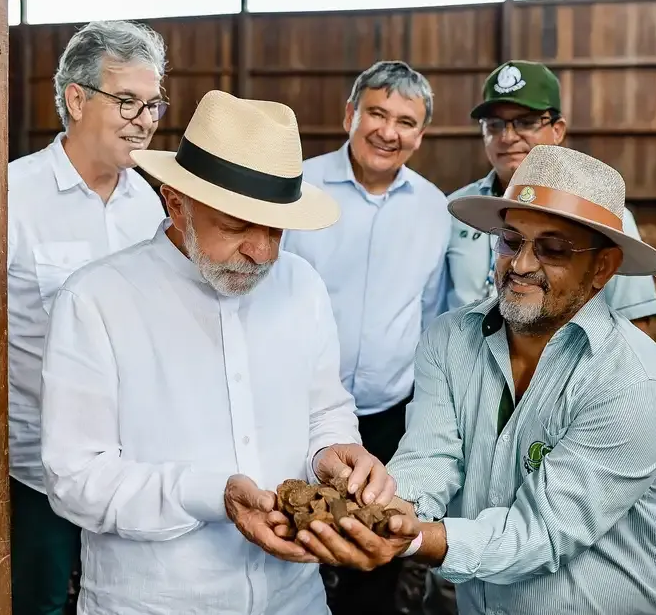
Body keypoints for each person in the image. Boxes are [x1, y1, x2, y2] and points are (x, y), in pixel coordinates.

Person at [295, 144, 656, 615]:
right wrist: (389, 511)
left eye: (552, 248)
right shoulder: (449, 339)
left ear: (603, 268)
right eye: (510, 241)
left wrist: (416, 539)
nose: (521, 265)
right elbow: (430, 457)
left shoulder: (635, 385)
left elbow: (543, 532)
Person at [38, 89, 396, 615]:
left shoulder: (303, 286)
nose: (262, 252)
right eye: (235, 226)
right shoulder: (96, 300)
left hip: (296, 600)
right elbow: (75, 478)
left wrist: (332, 451)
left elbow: (325, 408)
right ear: (175, 203)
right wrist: (211, 494)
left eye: (276, 229)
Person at [0, 19, 170, 615]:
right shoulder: (8, 196)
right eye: (127, 101)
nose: (145, 119)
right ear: (76, 100)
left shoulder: (149, 206)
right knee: (40, 602)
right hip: (34, 469)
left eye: (153, 103)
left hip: (132, 465)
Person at [281, 60, 449, 614]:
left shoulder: (435, 208)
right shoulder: (297, 186)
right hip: (294, 406)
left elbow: (430, 309)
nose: (388, 131)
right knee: (287, 536)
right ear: (350, 114)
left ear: (420, 135)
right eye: (377, 113)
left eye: (406, 121)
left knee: (374, 549)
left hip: (387, 412)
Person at [445, 60, 656, 330]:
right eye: (494, 124)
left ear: (557, 130)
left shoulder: (604, 215)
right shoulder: (454, 210)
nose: (507, 137)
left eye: (526, 122)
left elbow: (635, 325)